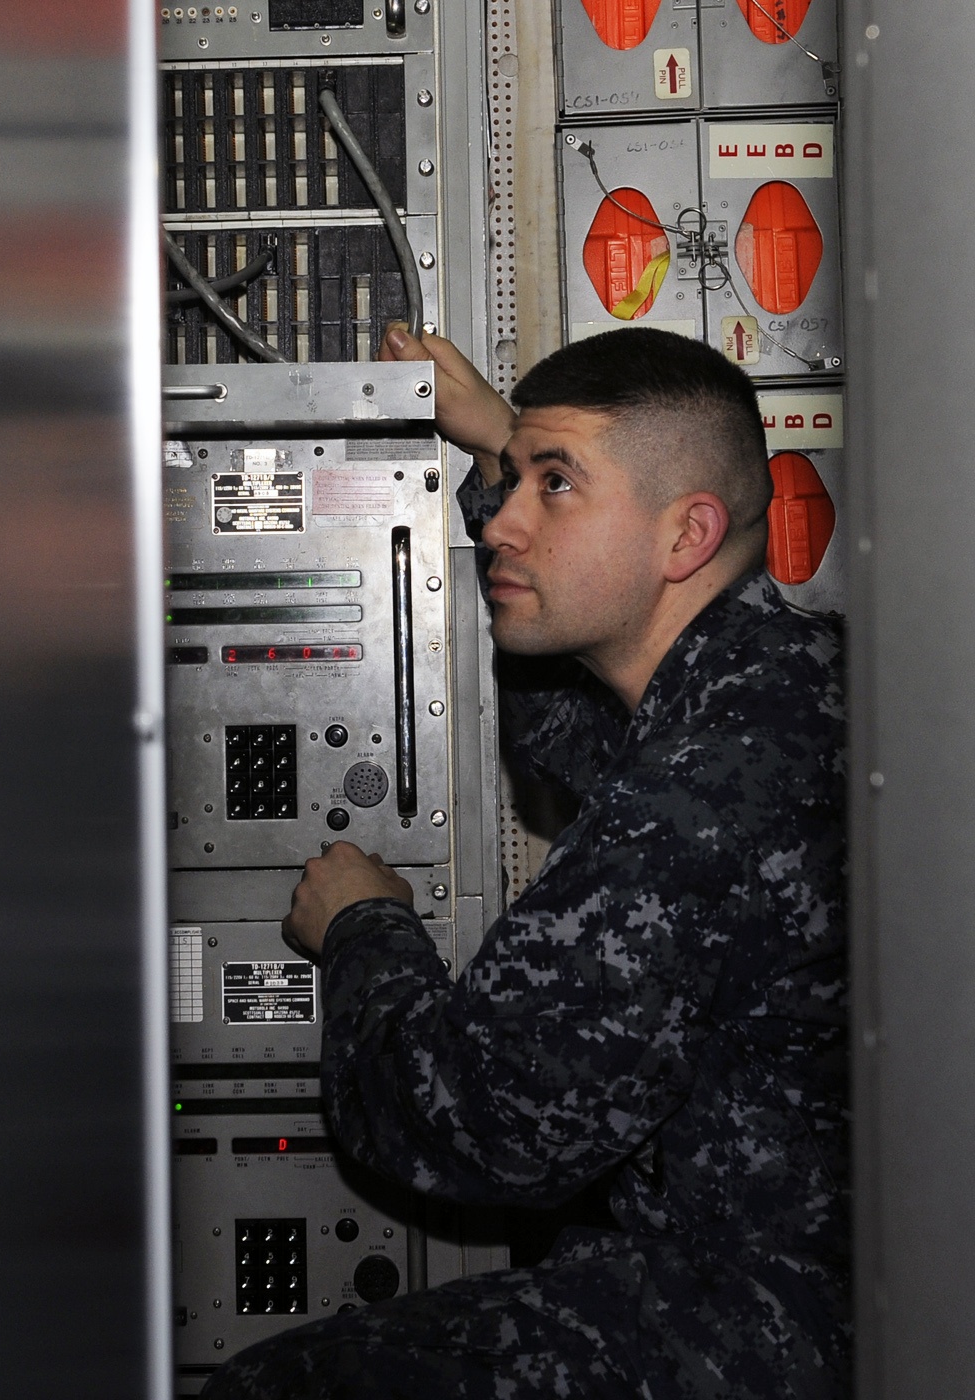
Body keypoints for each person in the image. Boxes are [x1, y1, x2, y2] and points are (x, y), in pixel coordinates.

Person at [203, 326, 848, 1399]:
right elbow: (570, 732)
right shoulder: (781, 679)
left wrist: (364, 926)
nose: (501, 518)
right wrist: (508, 442)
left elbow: (473, 1117)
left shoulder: (701, 788)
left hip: (772, 1318)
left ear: (685, 534)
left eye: (553, 487)